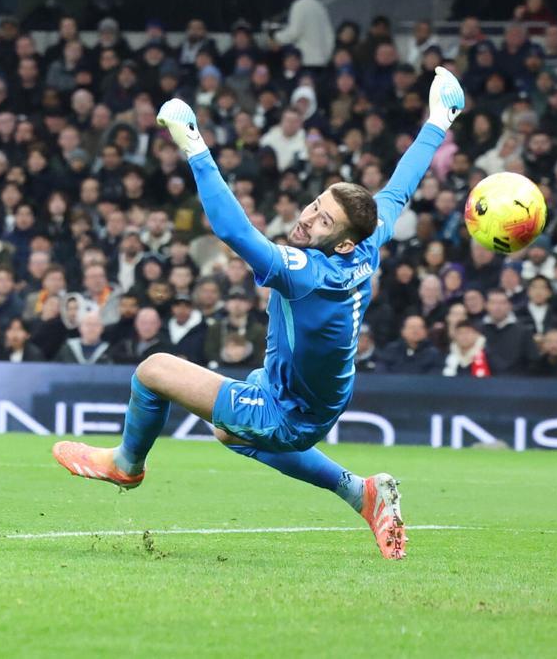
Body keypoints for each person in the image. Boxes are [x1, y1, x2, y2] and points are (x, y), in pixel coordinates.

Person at [53, 66, 468, 561]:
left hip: (291, 410)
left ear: (343, 240)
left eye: (323, 219)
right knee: (227, 431)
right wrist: (438, 121)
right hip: (311, 394)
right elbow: (399, 189)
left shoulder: (308, 272)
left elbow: (235, 233)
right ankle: (361, 492)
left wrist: (195, 148)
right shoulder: (366, 243)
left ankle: (126, 464)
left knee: (153, 371)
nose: (308, 217)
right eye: (316, 204)